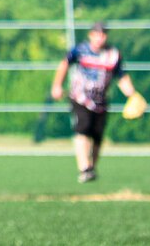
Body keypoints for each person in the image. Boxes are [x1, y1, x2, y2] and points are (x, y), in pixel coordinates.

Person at [50, 22, 139, 183]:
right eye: (98, 34)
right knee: (82, 129)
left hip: (101, 101)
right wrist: (57, 85)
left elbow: (121, 76)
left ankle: (91, 167)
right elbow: (64, 64)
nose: (101, 37)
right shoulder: (80, 50)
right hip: (80, 97)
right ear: (91, 35)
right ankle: (84, 167)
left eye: (104, 34)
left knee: (97, 136)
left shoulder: (113, 54)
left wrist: (133, 95)